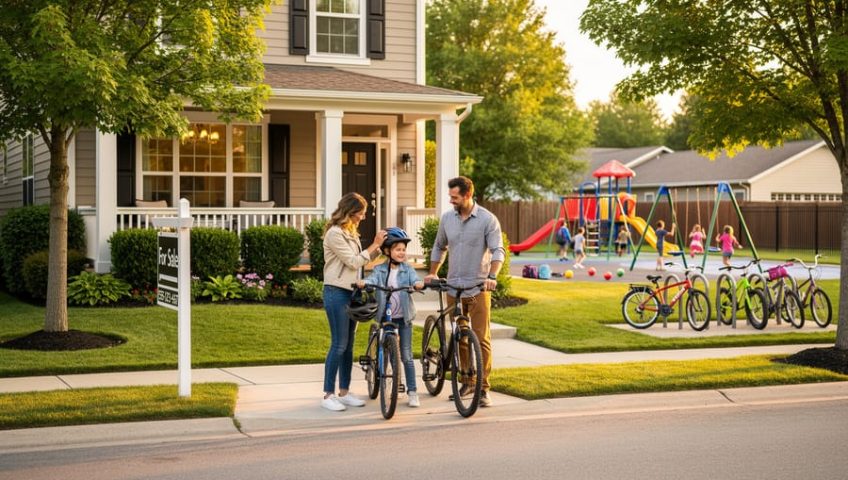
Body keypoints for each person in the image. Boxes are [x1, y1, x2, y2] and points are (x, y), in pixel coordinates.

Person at [425, 176, 504, 408]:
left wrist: (492, 276)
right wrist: (432, 272)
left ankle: (484, 388)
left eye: (455, 197)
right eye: (450, 196)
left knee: (481, 338)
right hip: (453, 287)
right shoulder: (448, 219)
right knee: (459, 335)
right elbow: (440, 246)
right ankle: (467, 381)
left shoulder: (487, 220)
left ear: (468, 195)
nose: (451, 201)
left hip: (478, 287)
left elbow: (498, 250)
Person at [321, 193, 387, 412]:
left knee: (348, 346)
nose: (363, 216)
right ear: (350, 211)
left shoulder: (350, 233)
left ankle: (344, 392)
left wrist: (384, 250)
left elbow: (362, 263)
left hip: (352, 293)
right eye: (361, 212)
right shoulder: (334, 233)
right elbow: (352, 261)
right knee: (338, 344)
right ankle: (328, 394)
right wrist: (374, 244)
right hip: (336, 292)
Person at [357, 227, 424, 408]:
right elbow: (373, 280)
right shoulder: (379, 270)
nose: (401, 252)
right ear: (387, 251)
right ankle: (393, 382)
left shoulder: (407, 270)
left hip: (404, 317)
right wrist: (365, 283)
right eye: (397, 249)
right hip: (386, 317)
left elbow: (415, 279)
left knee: (407, 356)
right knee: (388, 355)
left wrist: (418, 284)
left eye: (403, 249)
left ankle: (412, 391)